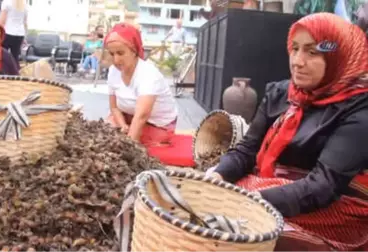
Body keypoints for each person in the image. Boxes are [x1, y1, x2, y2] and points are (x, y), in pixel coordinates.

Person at [207, 13, 368, 251]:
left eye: (312, 52)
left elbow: (323, 186)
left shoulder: (359, 110)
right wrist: (218, 175)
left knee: (237, 231)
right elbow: (246, 151)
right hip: (272, 189)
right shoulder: (281, 94)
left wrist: (253, 201)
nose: (298, 61)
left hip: (330, 206)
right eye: (295, 49)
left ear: (339, 57)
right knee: (208, 197)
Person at [105, 23, 178, 147]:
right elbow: (114, 108)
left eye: (121, 53)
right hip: (128, 117)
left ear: (134, 51)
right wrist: (123, 125)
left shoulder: (148, 74)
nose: (116, 60)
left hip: (155, 124)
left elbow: (141, 117)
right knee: (106, 126)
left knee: (117, 140)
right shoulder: (113, 71)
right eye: (112, 54)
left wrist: (128, 148)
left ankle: (159, 139)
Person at [0, 0, 28, 65]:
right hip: (20, 34)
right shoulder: (24, 3)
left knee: (2, 55)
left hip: (7, 32)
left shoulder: (6, 2)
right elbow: (25, 22)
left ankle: (2, 72)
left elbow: (2, 21)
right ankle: (16, 73)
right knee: (15, 56)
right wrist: (25, 37)